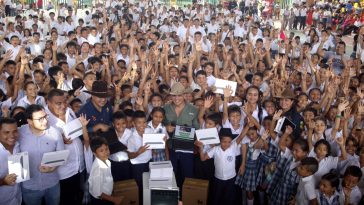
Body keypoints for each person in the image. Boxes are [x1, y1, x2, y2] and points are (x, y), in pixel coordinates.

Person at [45, 89, 91, 205]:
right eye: (58, 103)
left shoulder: (69, 111)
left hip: (80, 165)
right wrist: (59, 138)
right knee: (66, 199)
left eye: (65, 101)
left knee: (78, 196)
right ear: (48, 103)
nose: (63, 105)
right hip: (63, 172)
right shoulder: (44, 118)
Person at [19, 104, 65, 205]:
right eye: (40, 119)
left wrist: (53, 167)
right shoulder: (19, 133)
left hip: (52, 184)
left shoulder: (55, 133)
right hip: (30, 187)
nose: (45, 121)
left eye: (45, 117)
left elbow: (61, 155)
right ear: (29, 121)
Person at [195, 127, 245, 205]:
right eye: (224, 141)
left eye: (229, 142)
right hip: (218, 179)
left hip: (231, 179)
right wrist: (201, 148)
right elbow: (203, 158)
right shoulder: (215, 149)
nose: (227, 144)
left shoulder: (233, 147)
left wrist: (248, 126)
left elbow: (241, 136)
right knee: (217, 198)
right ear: (220, 141)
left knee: (230, 198)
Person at [163, 82, 199, 188]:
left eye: (179, 95)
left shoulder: (194, 109)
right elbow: (159, 125)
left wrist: (197, 143)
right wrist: (166, 128)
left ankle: (186, 199)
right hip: (171, 148)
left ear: (184, 95)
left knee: (188, 175)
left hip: (187, 149)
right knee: (171, 175)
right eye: (174, 95)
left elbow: (197, 129)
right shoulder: (165, 108)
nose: (176, 98)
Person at [88, 136, 123, 205]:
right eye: (101, 151)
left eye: (106, 149)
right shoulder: (98, 170)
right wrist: (114, 199)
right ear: (95, 154)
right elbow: (98, 193)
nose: (105, 152)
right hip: (100, 200)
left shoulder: (106, 160)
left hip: (107, 196)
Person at [98, 111, 132, 181]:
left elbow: (134, 148)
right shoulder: (110, 133)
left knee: (127, 182)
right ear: (113, 124)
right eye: (118, 124)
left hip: (126, 163)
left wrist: (127, 148)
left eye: (123, 123)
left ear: (126, 122)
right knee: (115, 182)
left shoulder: (130, 133)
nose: (121, 126)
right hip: (113, 162)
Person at [0, 118, 21, 205]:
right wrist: (3, 181)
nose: (12, 136)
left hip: (18, 198)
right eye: (6, 132)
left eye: (15, 131)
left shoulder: (18, 145)